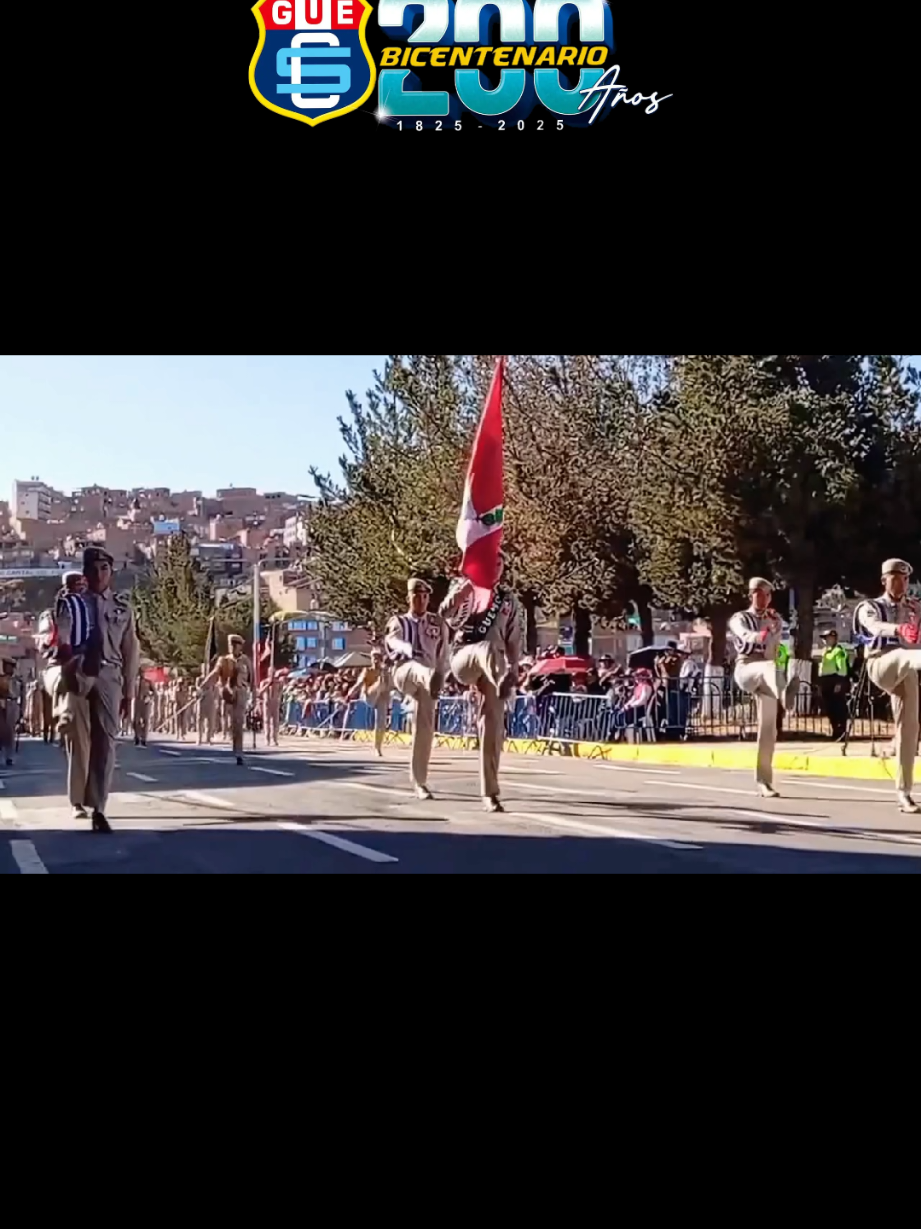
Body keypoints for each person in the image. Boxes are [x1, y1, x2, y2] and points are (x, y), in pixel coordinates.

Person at [56, 547, 139, 832]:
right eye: (93, 569)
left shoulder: (123, 608)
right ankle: (77, 799)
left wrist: (129, 691)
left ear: (111, 572)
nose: (99, 574)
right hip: (79, 672)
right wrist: (67, 655)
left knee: (106, 741)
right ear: (85, 572)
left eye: (104, 569)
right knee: (78, 738)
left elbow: (131, 651)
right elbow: (63, 632)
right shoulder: (74, 603)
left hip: (109, 675)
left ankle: (99, 807)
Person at [440, 559, 522, 813]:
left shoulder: (508, 600)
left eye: (499, 563)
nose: (495, 566)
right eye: (491, 561)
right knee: (486, 649)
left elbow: (514, 639)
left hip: (495, 665)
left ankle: (490, 792)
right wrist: (463, 589)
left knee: (492, 726)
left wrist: (515, 668)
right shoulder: (464, 586)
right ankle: (504, 686)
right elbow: (445, 613)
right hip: (464, 657)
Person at [855, 559, 921, 813]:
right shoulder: (870, 606)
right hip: (880, 663)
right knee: (904, 656)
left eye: (905, 578)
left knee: (909, 729)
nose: (901, 583)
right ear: (884, 580)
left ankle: (904, 792)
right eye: (895, 578)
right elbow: (874, 627)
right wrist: (901, 628)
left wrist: (915, 624)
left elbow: (915, 641)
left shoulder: (914, 608)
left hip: (908, 668)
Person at [385, 578, 449, 800]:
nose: (420, 600)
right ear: (408, 597)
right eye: (416, 595)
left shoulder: (437, 623)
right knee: (418, 668)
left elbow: (443, 652)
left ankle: (419, 781)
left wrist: (443, 673)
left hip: (429, 681)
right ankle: (432, 678)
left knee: (425, 728)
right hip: (405, 672)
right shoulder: (400, 622)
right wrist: (406, 648)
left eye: (424, 596)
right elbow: (392, 641)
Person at [729, 578, 790, 799]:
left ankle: (764, 781)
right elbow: (744, 635)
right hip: (746, 668)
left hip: (769, 675)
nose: (760, 597)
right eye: (756, 593)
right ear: (750, 595)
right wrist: (761, 635)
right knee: (769, 668)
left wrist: (775, 628)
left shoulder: (774, 619)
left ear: (770, 597)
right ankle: (785, 694)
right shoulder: (740, 618)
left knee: (768, 730)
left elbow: (775, 647)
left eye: (765, 594)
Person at [204, 635, 253, 765]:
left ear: (240, 646)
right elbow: (215, 673)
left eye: (235, 645)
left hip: (241, 692)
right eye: (230, 645)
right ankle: (233, 743)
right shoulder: (224, 660)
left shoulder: (245, 660)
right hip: (227, 693)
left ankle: (239, 752)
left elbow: (252, 678)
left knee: (238, 721)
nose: (232, 647)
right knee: (230, 722)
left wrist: (254, 695)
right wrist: (203, 685)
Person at [347, 647, 392, 757]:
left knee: (380, 723)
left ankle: (377, 747)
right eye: (374, 658)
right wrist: (350, 694)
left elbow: (390, 686)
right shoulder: (367, 670)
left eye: (378, 658)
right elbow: (358, 684)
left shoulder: (385, 672)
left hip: (381, 697)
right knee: (381, 681)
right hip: (369, 695)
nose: (376, 660)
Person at [818, 629, 850, 741]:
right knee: (829, 707)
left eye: (828, 638)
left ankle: (841, 731)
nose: (826, 641)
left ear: (834, 638)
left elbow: (842, 668)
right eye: (825, 639)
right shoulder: (825, 651)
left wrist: (839, 682)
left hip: (835, 679)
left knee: (838, 707)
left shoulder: (838, 651)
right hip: (825, 680)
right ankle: (835, 729)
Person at [0, 659, 18, 767]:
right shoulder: (1, 680)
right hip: (1, 707)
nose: (8, 669)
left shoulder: (16, 681)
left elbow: (20, 697)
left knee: (10, 733)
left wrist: (21, 715)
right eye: (6, 667)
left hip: (12, 707)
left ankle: (9, 757)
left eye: (10, 667)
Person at [260, 669, 283, 748]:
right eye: (270, 672)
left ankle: (275, 739)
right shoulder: (264, 682)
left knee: (275, 722)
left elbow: (280, 692)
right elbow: (260, 692)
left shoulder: (278, 683)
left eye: (273, 672)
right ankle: (267, 739)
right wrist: (268, 685)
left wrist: (278, 699)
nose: (272, 674)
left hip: (275, 703)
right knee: (266, 721)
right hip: (267, 703)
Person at [197, 663, 217, 746]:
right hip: (202, 701)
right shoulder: (200, 679)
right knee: (200, 720)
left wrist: (215, 696)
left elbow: (215, 688)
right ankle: (199, 738)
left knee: (210, 721)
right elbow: (198, 688)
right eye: (204, 668)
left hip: (211, 701)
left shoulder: (212, 679)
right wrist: (203, 691)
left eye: (207, 668)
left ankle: (208, 738)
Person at [134, 668, 152, 747]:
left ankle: (144, 738)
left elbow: (154, 692)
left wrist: (149, 697)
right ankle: (137, 737)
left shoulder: (148, 682)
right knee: (136, 721)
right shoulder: (135, 682)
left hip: (146, 703)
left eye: (143, 673)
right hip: (137, 702)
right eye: (141, 673)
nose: (142, 674)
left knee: (146, 721)